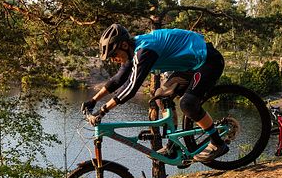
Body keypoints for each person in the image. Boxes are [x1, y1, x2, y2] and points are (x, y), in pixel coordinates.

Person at [81, 23, 227, 162]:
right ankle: (172, 146)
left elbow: (131, 88)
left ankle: (217, 142)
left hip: (208, 60)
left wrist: (102, 110)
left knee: (188, 104)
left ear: (124, 45)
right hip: (190, 65)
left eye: (114, 54)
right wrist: (93, 100)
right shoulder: (132, 51)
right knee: (161, 97)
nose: (113, 60)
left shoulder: (145, 51)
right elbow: (118, 80)